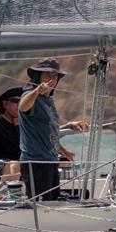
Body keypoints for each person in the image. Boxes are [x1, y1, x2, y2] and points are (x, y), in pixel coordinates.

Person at [18, 57, 86, 201]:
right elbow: (22, 107)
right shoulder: (31, 96)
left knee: (52, 201)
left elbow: (47, 131)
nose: (52, 78)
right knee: (41, 204)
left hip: (50, 160)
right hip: (36, 162)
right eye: (47, 74)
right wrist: (37, 91)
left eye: (55, 75)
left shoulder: (48, 100)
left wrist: (67, 130)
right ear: (38, 76)